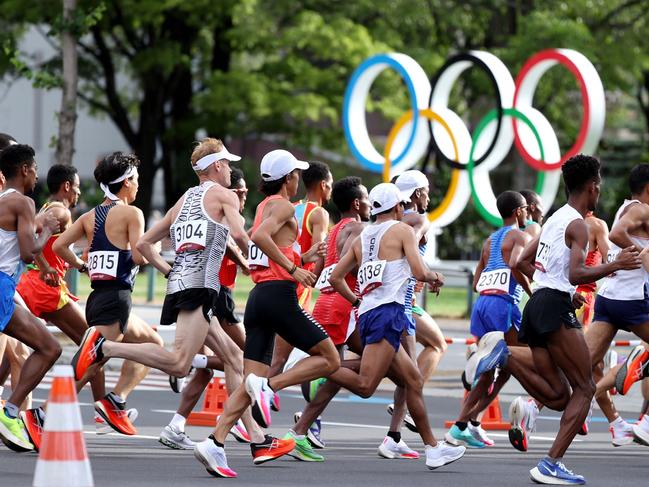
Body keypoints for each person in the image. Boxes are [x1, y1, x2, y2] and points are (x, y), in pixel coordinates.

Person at [472, 154, 640, 485]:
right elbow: (577, 272)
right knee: (586, 386)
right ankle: (551, 463)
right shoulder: (578, 224)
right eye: (599, 186)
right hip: (554, 306)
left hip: (538, 305)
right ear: (593, 188)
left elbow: (521, 262)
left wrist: (549, 283)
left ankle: (507, 357)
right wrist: (615, 265)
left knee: (560, 395)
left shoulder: (553, 220)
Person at [192, 149, 340, 478]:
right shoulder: (285, 205)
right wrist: (293, 267)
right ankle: (271, 387)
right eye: (295, 174)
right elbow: (259, 239)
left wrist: (302, 258)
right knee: (330, 359)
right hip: (279, 297)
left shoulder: (262, 207)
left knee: (248, 383)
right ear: (289, 178)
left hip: (259, 297)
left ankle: (215, 442)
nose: (298, 178)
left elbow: (267, 246)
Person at [326, 182, 465, 470]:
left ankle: (433, 449)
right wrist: (435, 276)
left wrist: (358, 300)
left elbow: (335, 277)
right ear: (399, 207)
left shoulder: (362, 237)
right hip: (387, 313)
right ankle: (317, 367)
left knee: (412, 380)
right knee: (366, 385)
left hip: (370, 315)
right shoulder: (402, 230)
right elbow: (419, 271)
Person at [54, 152, 163, 436]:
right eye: (136, 180)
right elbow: (139, 257)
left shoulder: (91, 216)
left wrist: (82, 266)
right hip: (116, 298)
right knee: (89, 364)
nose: (138, 186)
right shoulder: (131, 213)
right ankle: (44, 416)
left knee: (152, 342)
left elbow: (59, 246)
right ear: (126, 182)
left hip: (99, 298)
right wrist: (156, 250)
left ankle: (116, 400)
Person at [287, 176, 370, 460]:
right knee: (368, 363)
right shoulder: (359, 229)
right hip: (343, 306)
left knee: (340, 375)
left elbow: (321, 266)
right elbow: (346, 269)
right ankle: (310, 367)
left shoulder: (335, 230)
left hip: (327, 303)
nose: (371, 203)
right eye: (368, 198)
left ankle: (300, 431)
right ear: (357, 204)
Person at [444, 191, 532, 449]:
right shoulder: (520, 236)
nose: (527, 213)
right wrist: (532, 293)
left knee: (499, 370)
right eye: (525, 208)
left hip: (482, 305)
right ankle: (462, 423)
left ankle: (467, 423)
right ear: (518, 211)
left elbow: (475, 283)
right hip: (502, 305)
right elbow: (516, 265)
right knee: (519, 361)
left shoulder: (489, 241)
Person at [582, 163, 649, 447]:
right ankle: (646, 423)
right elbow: (617, 234)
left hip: (610, 298)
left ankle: (532, 406)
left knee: (581, 363)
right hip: (631, 299)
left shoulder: (627, 206)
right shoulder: (643, 209)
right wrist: (641, 253)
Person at [0, 143, 61, 452]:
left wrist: (46, 267)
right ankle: (8, 411)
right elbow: (27, 249)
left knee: (48, 346)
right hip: (1, 288)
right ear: (24, 169)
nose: (37, 175)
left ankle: (10, 411)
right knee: (48, 348)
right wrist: (48, 229)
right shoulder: (22, 202)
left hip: (5, 290)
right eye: (35, 169)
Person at [386, 170, 448, 447]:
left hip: (393, 300)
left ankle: (394, 435)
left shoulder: (390, 219)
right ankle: (426, 444)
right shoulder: (418, 220)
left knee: (404, 372)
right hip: (401, 305)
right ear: (415, 194)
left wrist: (420, 273)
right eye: (426, 191)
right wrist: (427, 275)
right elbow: (407, 251)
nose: (429, 196)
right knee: (403, 375)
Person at [267, 161, 332, 390]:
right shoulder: (319, 214)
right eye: (330, 185)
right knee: (281, 360)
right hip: (297, 288)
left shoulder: (291, 206)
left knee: (277, 356)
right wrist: (315, 278)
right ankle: (250, 411)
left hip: (278, 279)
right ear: (323, 185)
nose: (331, 190)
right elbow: (319, 253)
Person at [575, 212, 609, 329]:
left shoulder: (557, 220)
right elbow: (610, 259)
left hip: (556, 292)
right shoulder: (596, 224)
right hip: (582, 295)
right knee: (581, 345)